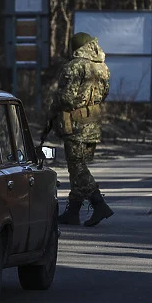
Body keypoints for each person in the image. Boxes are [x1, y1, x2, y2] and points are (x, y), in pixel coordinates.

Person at [48, 32, 113, 227]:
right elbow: (105, 93)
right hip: (93, 123)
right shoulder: (102, 67)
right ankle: (73, 212)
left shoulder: (74, 67)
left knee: (77, 168)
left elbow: (66, 98)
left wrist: (53, 109)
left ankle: (99, 203)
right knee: (78, 166)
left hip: (75, 124)